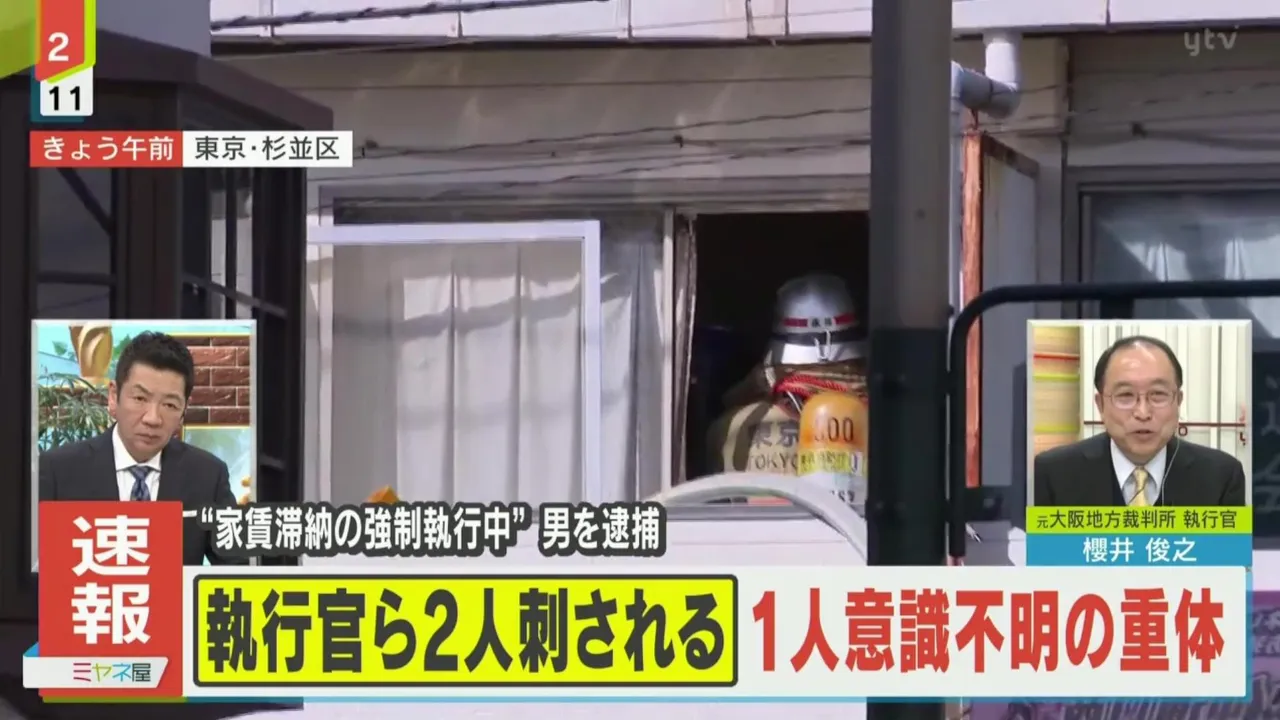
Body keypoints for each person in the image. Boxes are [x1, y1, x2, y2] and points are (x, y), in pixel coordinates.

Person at [38, 331, 244, 565]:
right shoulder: (57, 471)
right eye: (140, 399)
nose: (153, 418)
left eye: (169, 405)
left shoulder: (208, 476)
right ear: (113, 396)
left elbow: (237, 572)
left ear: (184, 410)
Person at [1033, 334, 1247, 507]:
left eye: (1158, 394)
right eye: (1126, 395)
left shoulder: (1222, 476)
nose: (1143, 413)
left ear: (1178, 401)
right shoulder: (1053, 473)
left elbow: (1229, 550)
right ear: (1101, 406)